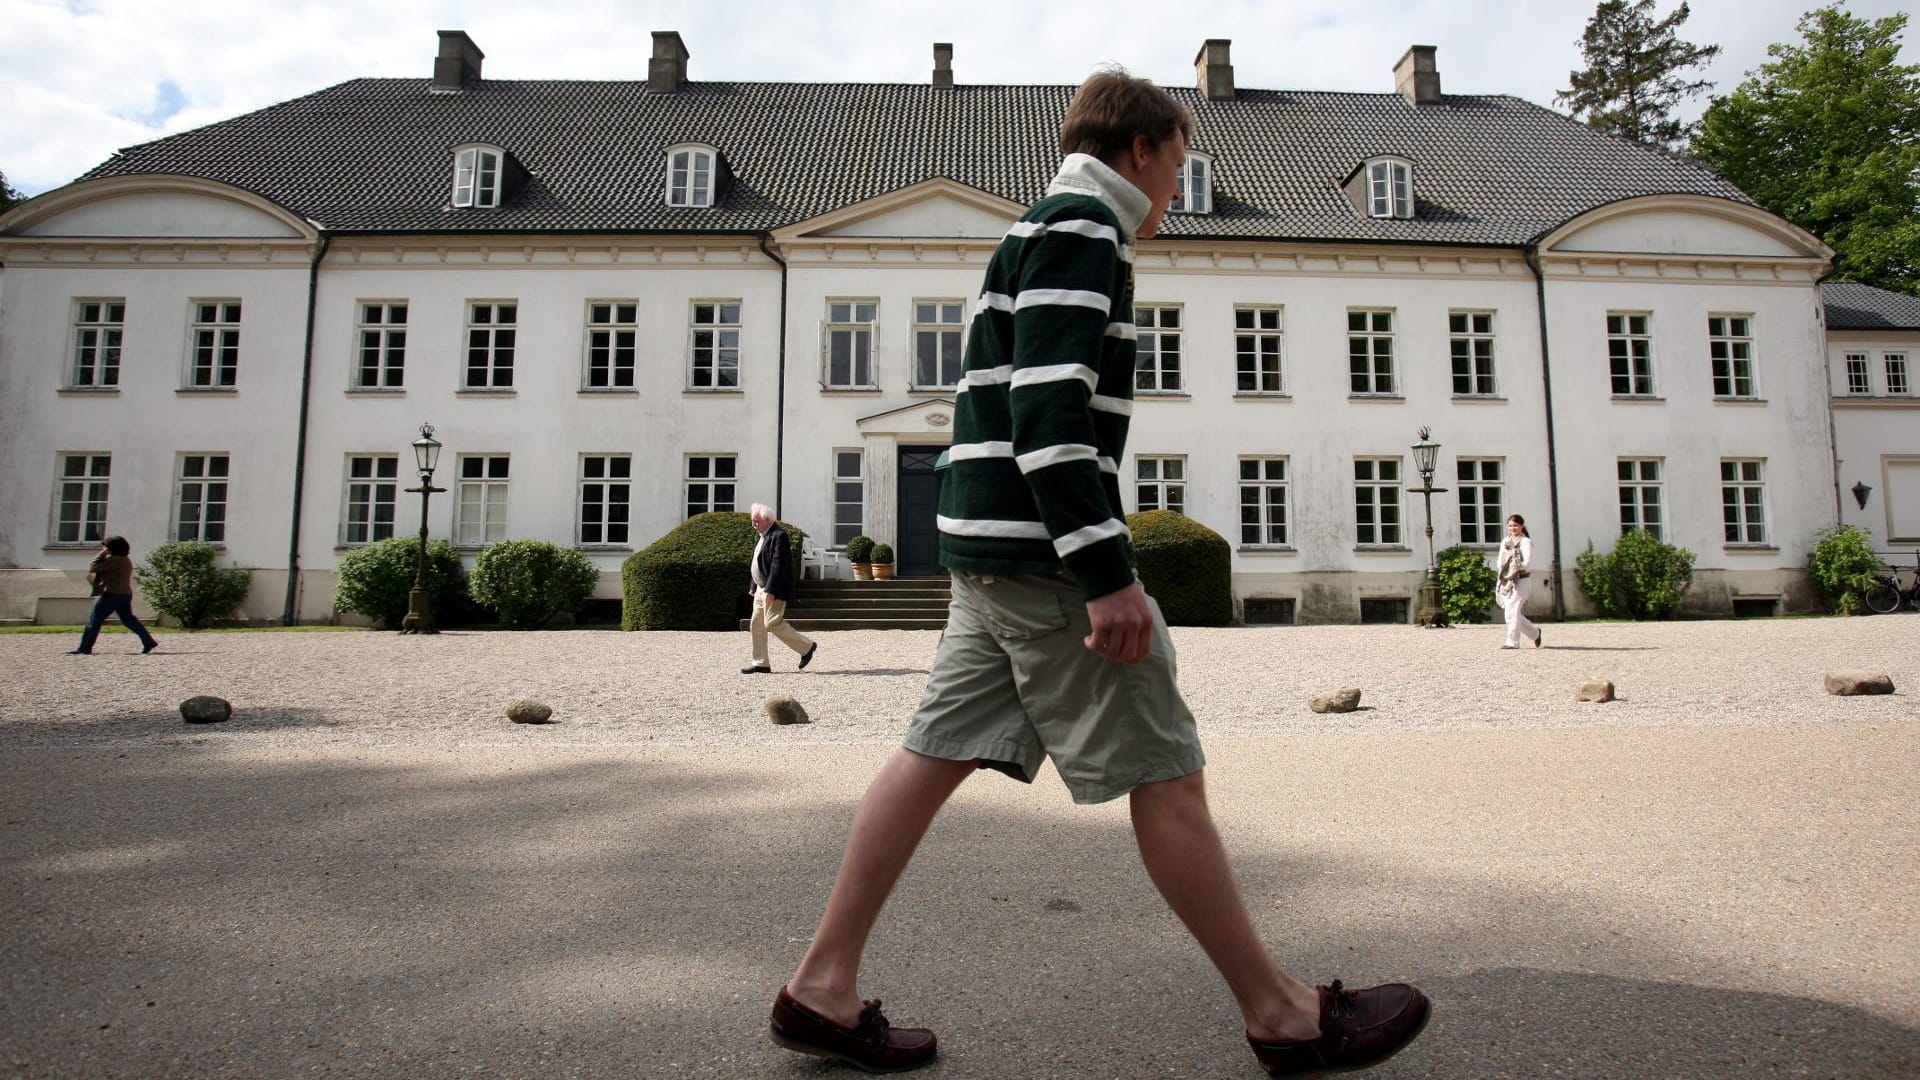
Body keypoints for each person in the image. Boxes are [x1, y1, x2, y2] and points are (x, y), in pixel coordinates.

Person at [768, 69, 1430, 1077]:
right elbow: (1048, 417)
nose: (1180, 185)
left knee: (930, 756)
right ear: (1140, 149)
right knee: (1166, 770)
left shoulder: (1036, 226)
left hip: (988, 556)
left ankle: (820, 985)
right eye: (1179, 162)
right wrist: (1106, 571)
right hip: (1043, 565)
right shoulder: (1083, 231)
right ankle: (1283, 1014)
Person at [742, 503, 817, 674]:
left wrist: (771, 590)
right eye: (753, 520)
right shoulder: (761, 536)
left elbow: (778, 565)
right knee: (757, 624)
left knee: (772, 622)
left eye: (756, 520)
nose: (753, 524)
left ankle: (807, 647)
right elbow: (758, 562)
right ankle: (761, 663)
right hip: (761, 588)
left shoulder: (779, 536)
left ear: (768, 520)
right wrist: (754, 585)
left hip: (773, 589)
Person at [70, 535, 159, 655]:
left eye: (106, 546)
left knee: (94, 620)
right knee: (129, 619)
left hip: (111, 594)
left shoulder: (114, 560)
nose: (104, 548)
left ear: (112, 548)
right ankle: (148, 641)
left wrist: (101, 554)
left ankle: (85, 648)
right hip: (125, 594)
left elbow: (94, 567)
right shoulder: (125, 560)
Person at [1495, 514, 1542, 649]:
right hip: (1507, 580)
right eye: (1510, 525)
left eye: (1515, 525)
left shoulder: (1526, 542)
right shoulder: (1505, 542)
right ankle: (1535, 633)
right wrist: (1502, 577)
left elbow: (1527, 563)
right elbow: (1500, 561)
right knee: (1512, 611)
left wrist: (1516, 566)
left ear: (1522, 526)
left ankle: (1512, 642)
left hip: (1522, 580)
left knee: (1512, 610)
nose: (1513, 528)